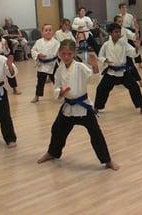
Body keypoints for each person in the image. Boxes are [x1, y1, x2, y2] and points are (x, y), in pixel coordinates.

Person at [37, 40, 119, 171]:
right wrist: (61, 92)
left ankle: (107, 160)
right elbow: (56, 88)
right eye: (63, 54)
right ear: (59, 54)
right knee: (57, 130)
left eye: (69, 54)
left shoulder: (80, 67)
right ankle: (52, 153)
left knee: (96, 134)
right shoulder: (59, 70)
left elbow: (93, 81)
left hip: (83, 107)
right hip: (68, 108)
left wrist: (95, 67)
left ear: (74, 53)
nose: (66, 57)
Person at [94, 23, 142, 115]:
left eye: (119, 32)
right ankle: (96, 108)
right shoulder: (106, 45)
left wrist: (137, 48)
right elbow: (100, 56)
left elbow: (132, 53)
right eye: (116, 32)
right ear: (110, 33)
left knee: (135, 87)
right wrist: (105, 60)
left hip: (123, 72)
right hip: (111, 72)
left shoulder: (123, 43)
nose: (118, 34)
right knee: (101, 88)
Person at [0, 24, 21, 95]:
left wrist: (7, 48)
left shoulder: (3, 40)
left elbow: (7, 52)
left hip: (1, 58)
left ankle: (14, 88)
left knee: (9, 69)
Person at [114, 15, 142, 88]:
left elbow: (134, 37)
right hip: (116, 53)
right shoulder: (112, 32)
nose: (121, 23)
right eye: (119, 21)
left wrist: (136, 29)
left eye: (121, 21)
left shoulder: (124, 30)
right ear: (115, 22)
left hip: (125, 52)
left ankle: (140, 81)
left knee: (131, 66)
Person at [30, 24, 60, 103]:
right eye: (46, 30)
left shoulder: (56, 42)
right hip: (42, 65)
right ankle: (37, 96)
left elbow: (58, 53)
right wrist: (38, 55)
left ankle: (61, 95)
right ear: (42, 33)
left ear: (53, 32)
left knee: (57, 81)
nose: (48, 32)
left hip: (53, 64)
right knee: (40, 81)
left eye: (50, 30)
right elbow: (33, 50)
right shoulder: (38, 42)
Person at [118, 3, 142, 69]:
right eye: (123, 8)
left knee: (135, 47)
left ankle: (139, 63)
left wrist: (136, 30)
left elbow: (133, 25)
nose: (124, 9)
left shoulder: (130, 16)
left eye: (125, 8)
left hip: (129, 31)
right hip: (121, 32)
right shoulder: (118, 16)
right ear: (120, 9)